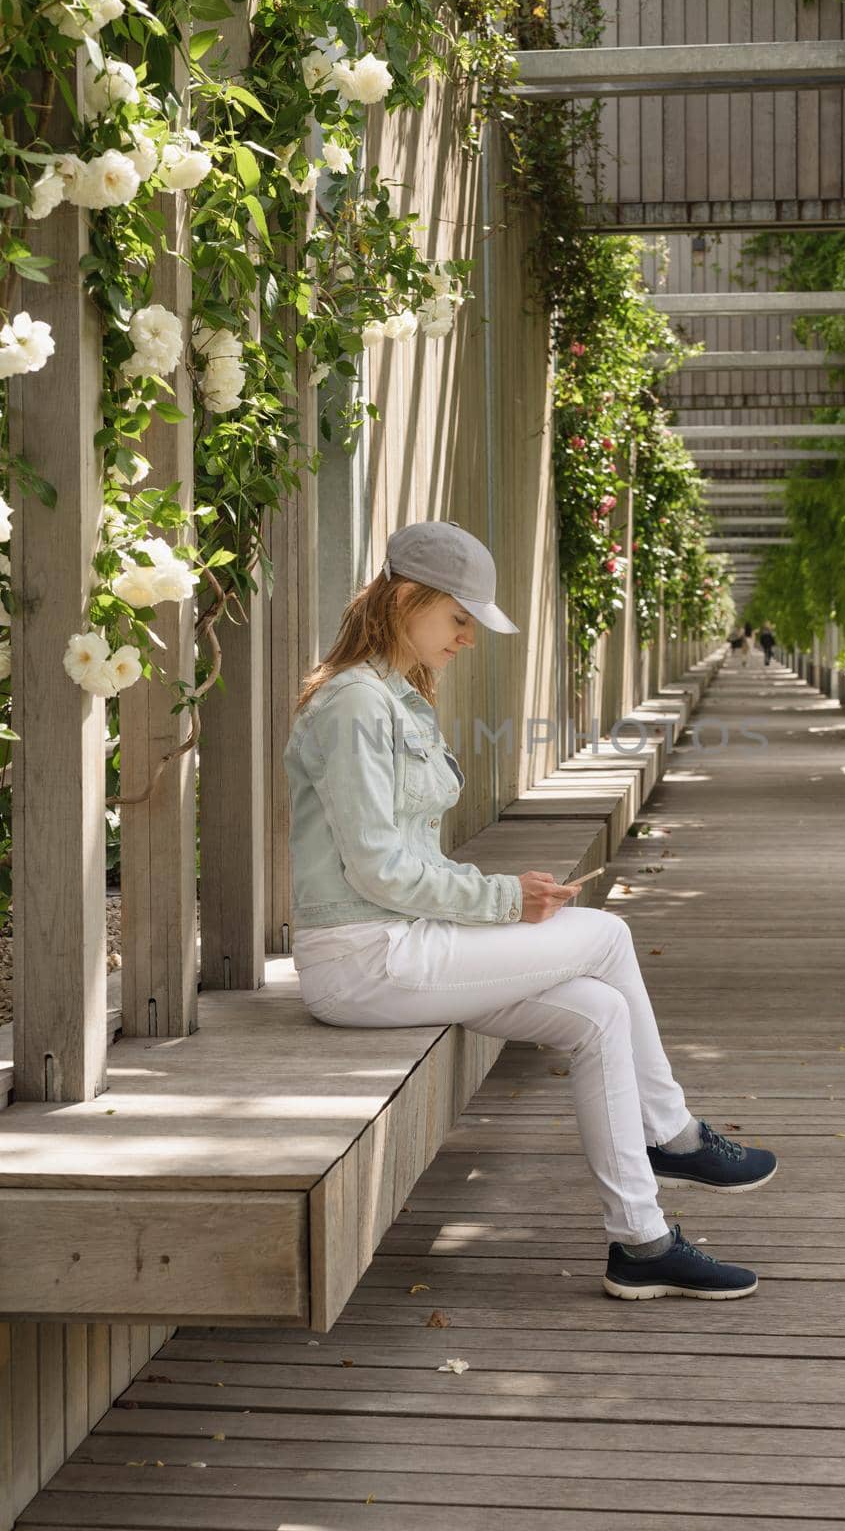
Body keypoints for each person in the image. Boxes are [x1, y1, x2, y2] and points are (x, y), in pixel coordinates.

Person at [283, 520, 778, 1303]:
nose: (467, 639)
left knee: (597, 1014)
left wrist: (500, 899)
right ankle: (673, 1135)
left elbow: (411, 857)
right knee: (607, 934)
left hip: (408, 942)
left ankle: (641, 1242)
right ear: (407, 599)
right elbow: (377, 869)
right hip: (365, 958)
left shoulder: (396, 701)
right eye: (459, 618)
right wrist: (503, 899)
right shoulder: (351, 708)